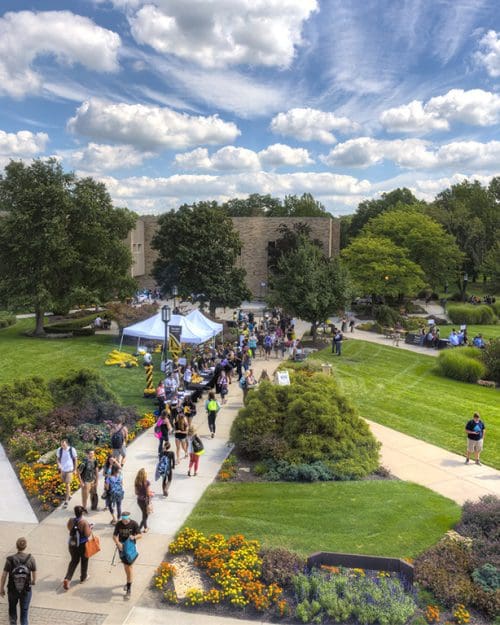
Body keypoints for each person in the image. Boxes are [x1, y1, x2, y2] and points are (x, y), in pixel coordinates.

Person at [1, 537, 36, 625]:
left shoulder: (10, 559)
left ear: (16, 546)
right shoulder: (31, 558)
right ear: (25, 546)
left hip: (12, 589)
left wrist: (1, 588)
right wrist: (33, 582)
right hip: (26, 590)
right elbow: (34, 577)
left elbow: (4, 575)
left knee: (12, 611)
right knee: (24, 615)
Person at [113, 511, 142, 599]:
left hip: (130, 548)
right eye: (123, 519)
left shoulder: (134, 524)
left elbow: (140, 535)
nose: (124, 522)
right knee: (126, 566)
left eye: (126, 520)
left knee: (129, 566)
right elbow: (114, 536)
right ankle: (128, 582)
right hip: (122, 548)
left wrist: (134, 537)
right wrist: (118, 543)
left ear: (129, 518)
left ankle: (128, 590)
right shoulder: (119, 524)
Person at [62, 505, 92, 590]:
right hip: (82, 545)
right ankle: (83, 577)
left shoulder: (71, 520)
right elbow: (87, 534)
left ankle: (67, 579)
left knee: (74, 561)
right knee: (84, 560)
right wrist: (90, 528)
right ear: (82, 512)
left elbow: (69, 528)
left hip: (72, 544)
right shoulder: (84, 522)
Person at [56, 438, 77, 509]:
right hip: (63, 470)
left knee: (67, 484)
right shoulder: (59, 450)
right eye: (61, 445)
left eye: (64, 445)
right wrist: (59, 464)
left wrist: (75, 469)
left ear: (67, 444)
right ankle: (69, 495)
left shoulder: (72, 450)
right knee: (65, 483)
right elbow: (58, 459)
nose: (62, 446)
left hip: (69, 470)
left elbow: (75, 460)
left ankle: (66, 500)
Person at [134, 468, 153, 533]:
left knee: (144, 514)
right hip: (145, 501)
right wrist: (151, 493)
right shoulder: (147, 482)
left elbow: (136, 493)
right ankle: (143, 528)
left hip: (139, 500)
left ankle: (141, 528)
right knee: (145, 515)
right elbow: (148, 493)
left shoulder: (136, 482)